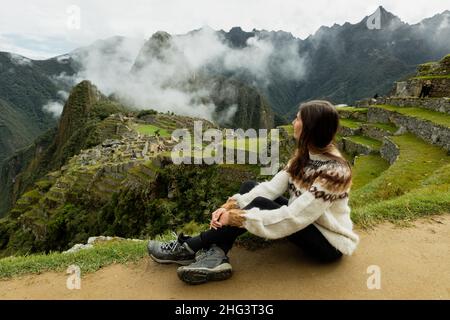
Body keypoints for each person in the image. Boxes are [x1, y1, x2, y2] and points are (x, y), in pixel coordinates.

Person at [148, 100, 360, 285]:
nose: (293, 122)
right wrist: (228, 206)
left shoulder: (335, 172)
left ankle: (190, 246)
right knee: (250, 187)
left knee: (262, 203)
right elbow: (271, 188)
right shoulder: (303, 156)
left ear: (309, 128)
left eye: (298, 119)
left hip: (327, 243)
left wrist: (236, 218)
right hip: (306, 222)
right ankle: (217, 255)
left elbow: (294, 217)